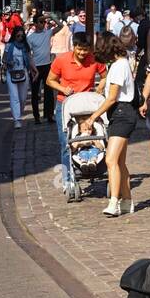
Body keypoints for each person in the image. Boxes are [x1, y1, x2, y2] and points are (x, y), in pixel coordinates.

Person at [80, 34, 138, 216]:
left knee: (110, 159)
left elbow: (112, 97)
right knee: (119, 161)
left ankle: (114, 202)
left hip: (122, 113)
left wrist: (92, 117)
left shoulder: (119, 66)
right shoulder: (119, 64)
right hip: (120, 114)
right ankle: (127, 201)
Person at [46, 32, 106, 197]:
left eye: (85, 50)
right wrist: (63, 89)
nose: (82, 53)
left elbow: (105, 76)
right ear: (74, 47)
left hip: (87, 105)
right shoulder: (62, 60)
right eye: (79, 50)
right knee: (65, 142)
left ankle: (92, 164)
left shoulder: (94, 59)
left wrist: (100, 87)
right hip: (66, 105)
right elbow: (49, 80)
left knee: (93, 137)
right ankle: (67, 179)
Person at [26, 16, 56, 125]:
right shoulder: (30, 37)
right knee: (35, 93)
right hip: (36, 67)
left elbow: (61, 26)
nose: (43, 24)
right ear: (35, 24)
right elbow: (28, 54)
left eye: (44, 22)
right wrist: (32, 68)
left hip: (47, 65)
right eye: (40, 22)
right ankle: (36, 117)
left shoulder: (47, 33)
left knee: (49, 92)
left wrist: (51, 17)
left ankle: (49, 115)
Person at [3, 26, 33, 129]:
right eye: (18, 35)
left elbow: (30, 59)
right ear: (14, 35)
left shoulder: (25, 46)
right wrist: (8, 62)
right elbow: (4, 59)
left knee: (23, 98)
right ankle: (17, 119)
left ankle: (19, 113)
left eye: (22, 35)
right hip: (11, 72)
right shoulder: (9, 45)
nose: (20, 37)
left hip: (23, 72)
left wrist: (34, 70)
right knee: (14, 97)